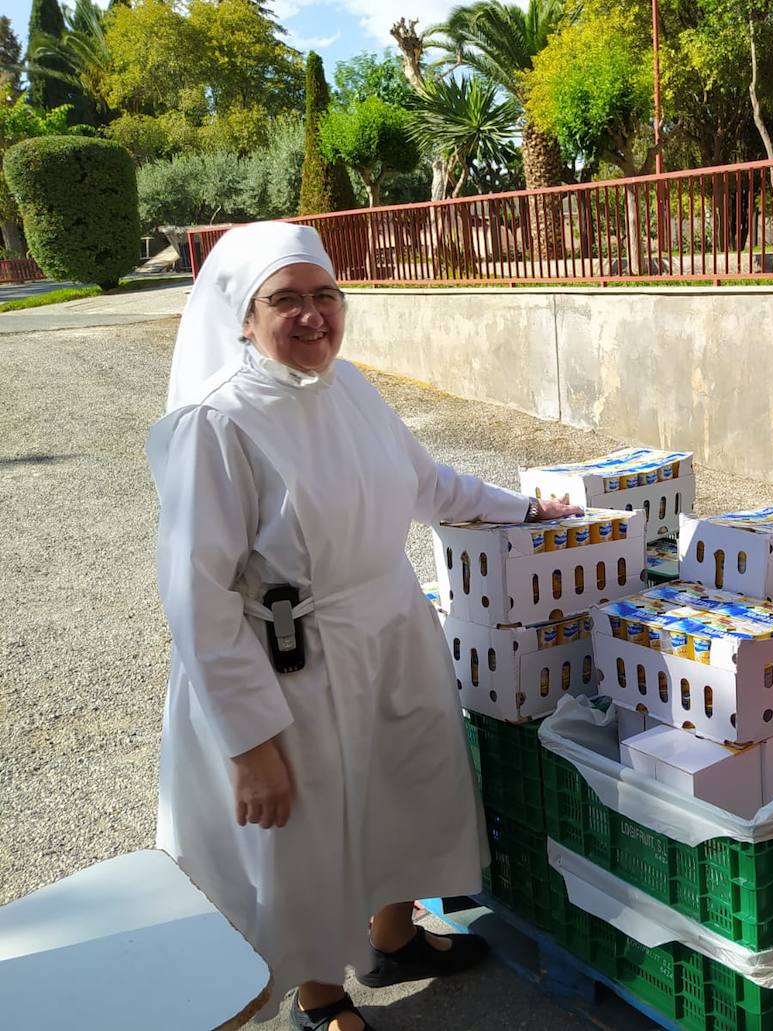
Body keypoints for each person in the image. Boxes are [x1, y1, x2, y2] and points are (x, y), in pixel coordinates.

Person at [147, 221, 579, 1031]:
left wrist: (525, 507)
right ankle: (322, 993)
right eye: (286, 300)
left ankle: (396, 933)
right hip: (293, 664)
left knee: (403, 789)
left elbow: (428, 484)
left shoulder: (350, 388)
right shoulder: (216, 424)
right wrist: (248, 744)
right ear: (244, 316)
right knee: (309, 830)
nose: (312, 316)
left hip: (389, 634)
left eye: (325, 296)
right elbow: (196, 600)